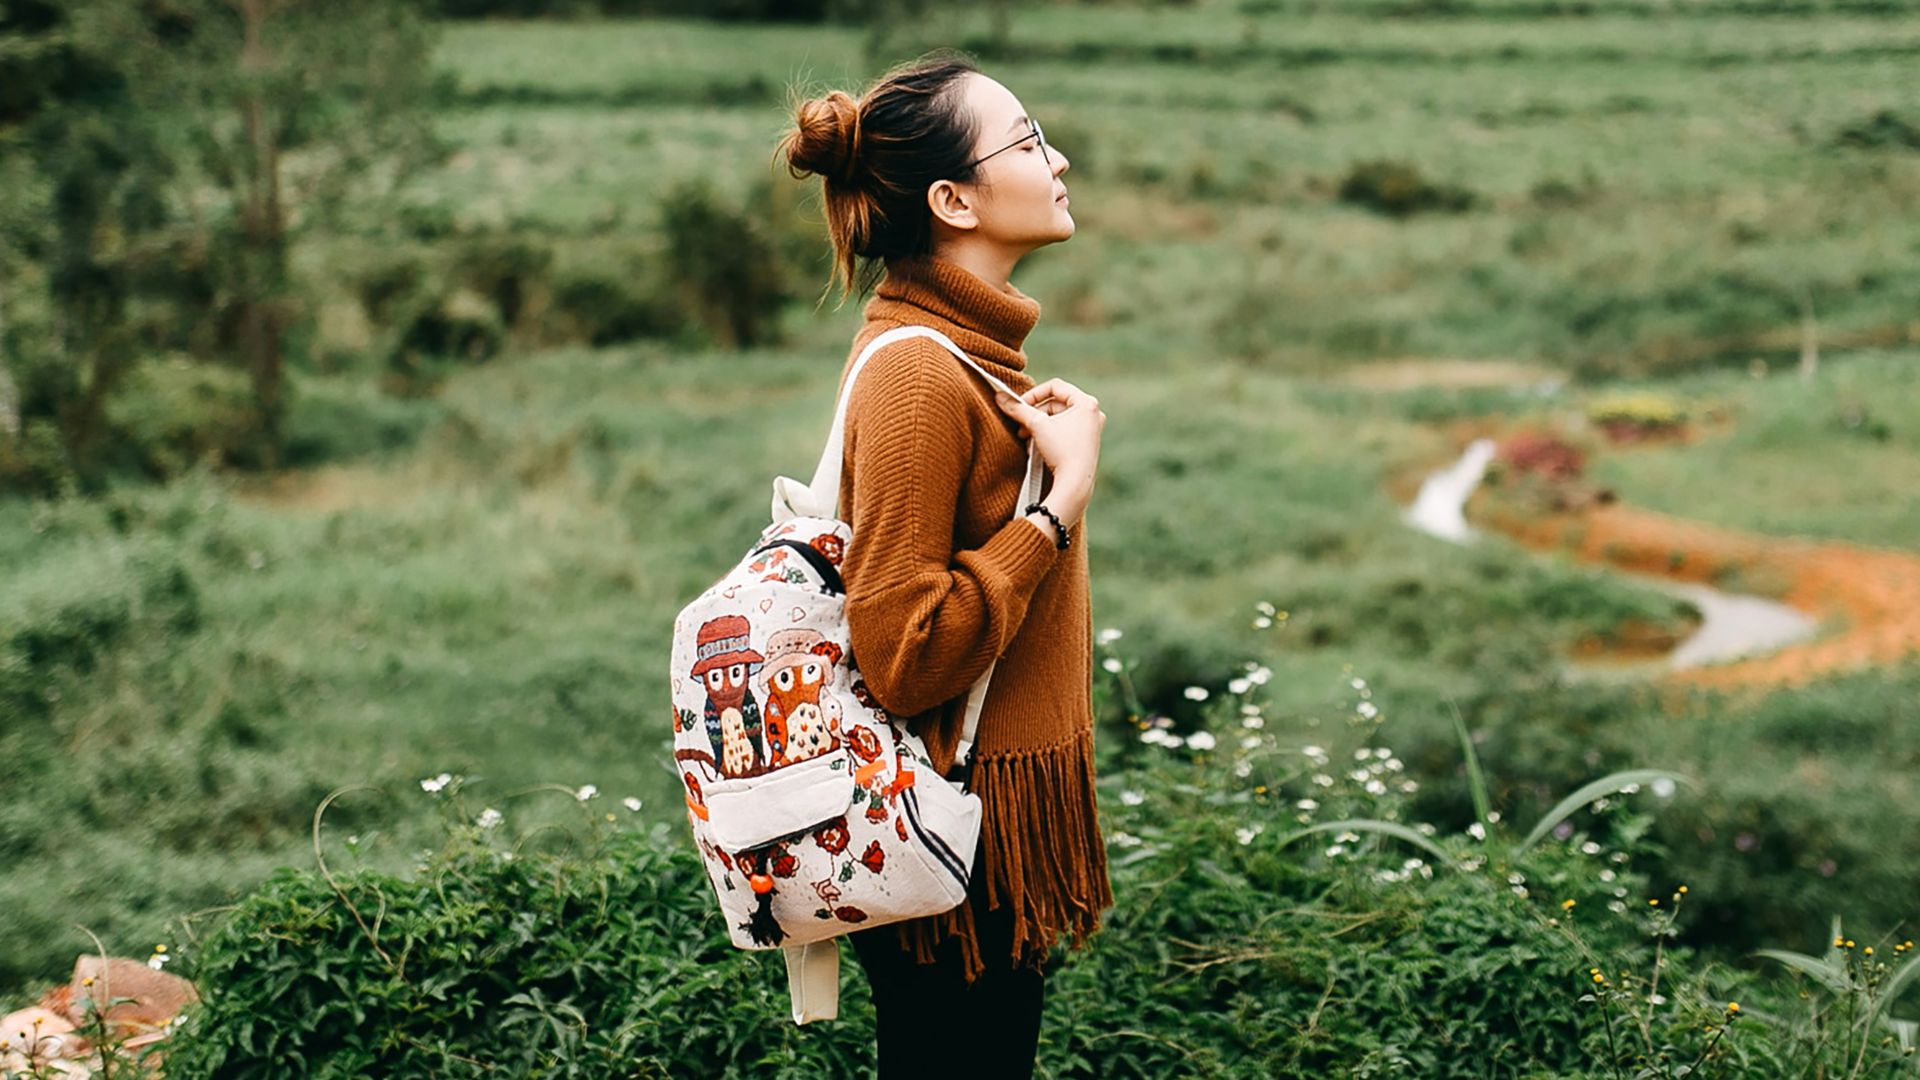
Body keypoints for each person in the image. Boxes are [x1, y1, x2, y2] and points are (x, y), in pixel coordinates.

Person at [779, 51, 1113, 1080]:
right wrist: (1055, 508)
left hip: (979, 827)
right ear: (952, 198)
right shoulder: (920, 375)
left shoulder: (963, 351)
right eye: (1026, 141)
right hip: (949, 833)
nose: (1056, 159)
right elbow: (903, 651)